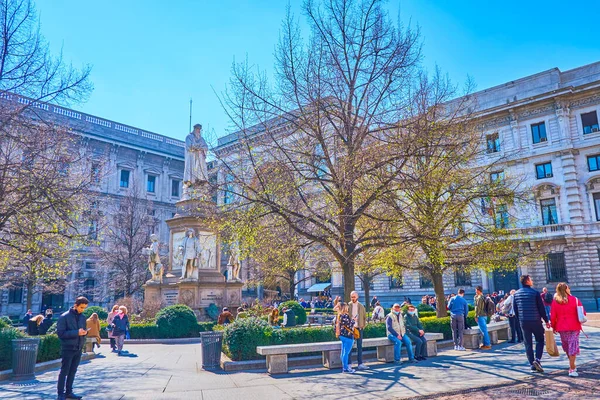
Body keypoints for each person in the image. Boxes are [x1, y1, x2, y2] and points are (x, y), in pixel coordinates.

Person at [513, 275, 551, 373]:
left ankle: (531, 364)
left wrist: (520, 320)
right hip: (535, 320)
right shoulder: (535, 293)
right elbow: (541, 309)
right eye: (531, 279)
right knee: (540, 340)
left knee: (527, 343)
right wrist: (546, 321)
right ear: (527, 281)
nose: (532, 281)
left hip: (524, 322)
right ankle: (537, 359)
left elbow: (515, 309)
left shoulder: (516, 294)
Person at [550, 282, 586, 377]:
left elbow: (553, 316)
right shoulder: (575, 299)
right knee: (572, 346)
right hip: (574, 326)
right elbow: (583, 312)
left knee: (567, 346)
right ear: (566, 289)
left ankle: (572, 365)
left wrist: (553, 326)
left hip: (561, 327)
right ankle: (572, 367)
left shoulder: (555, 302)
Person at [56, 296, 89, 400]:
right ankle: (60, 394)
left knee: (73, 371)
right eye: (81, 307)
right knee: (64, 371)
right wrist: (77, 333)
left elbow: (82, 331)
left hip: (78, 347)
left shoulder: (83, 317)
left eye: (84, 308)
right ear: (76, 305)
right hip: (68, 348)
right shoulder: (64, 317)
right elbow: (60, 333)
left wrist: (84, 333)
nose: (83, 310)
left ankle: (69, 392)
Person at [348, 291, 368, 370]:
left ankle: (360, 363)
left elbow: (364, 316)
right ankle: (349, 363)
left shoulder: (361, 306)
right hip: (350, 328)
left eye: (354, 297)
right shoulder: (348, 305)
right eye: (352, 297)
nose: (353, 298)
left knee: (359, 346)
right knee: (350, 346)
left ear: (357, 297)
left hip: (359, 328)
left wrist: (363, 325)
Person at [335, 302, 356, 373]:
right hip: (348, 336)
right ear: (344, 307)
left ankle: (344, 367)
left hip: (341, 335)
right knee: (346, 353)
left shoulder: (338, 316)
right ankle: (346, 368)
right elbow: (350, 325)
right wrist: (354, 320)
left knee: (343, 352)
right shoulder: (345, 316)